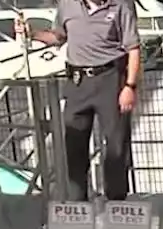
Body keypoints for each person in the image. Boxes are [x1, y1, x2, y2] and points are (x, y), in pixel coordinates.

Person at [25, 0, 142, 201]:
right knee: (74, 144)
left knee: (116, 145)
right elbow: (59, 36)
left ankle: (116, 203)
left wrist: (129, 86)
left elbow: (133, 47)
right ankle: (77, 204)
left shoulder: (122, 4)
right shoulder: (67, 4)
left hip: (110, 78)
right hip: (77, 82)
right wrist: (32, 33)